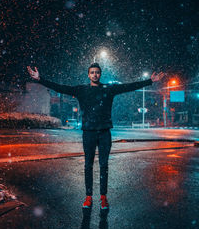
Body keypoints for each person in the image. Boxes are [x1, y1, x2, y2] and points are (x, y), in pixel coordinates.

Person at [27, 63, 164, 210]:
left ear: (100, 74)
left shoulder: (109, 89)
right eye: (92, 72)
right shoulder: (81, 90)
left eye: (97, 72)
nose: (94, 75)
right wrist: (40, 79)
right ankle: (88, 197)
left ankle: (103, 198)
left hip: (105, 132)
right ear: (88, 75)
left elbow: (128, 87)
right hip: (89, 133)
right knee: (88, 165)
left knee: (104, 165)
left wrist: (150, 81)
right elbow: (60, 88)